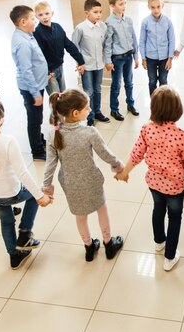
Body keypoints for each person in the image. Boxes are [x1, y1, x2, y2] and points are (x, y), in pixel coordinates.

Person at [115, 86, 184, 272]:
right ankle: (170, 257)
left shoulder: (146, 129)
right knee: (175, 218)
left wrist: (124, 172)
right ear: (177, 110)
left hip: (153, 182)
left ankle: (159, 241)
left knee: (158, 210)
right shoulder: (182, 136)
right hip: (174, 187)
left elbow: (136, 154)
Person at [42, 89, 125, 262]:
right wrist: (118, 166)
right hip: (92, 181)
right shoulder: (89, 132)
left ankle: (88, 247)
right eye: (87, 109)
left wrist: (47, 187)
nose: (89, 111)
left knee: (80, 217)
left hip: (70, 185)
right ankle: (108, 244)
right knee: (102, 210)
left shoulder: (53, 134)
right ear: (76, 113)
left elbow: (50, 165)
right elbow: (105, 154)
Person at [0, 100, 52, 270]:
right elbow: (22, 173)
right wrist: (40, 196)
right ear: (0, 120)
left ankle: (14, 257)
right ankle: (24, 233)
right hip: (9, 192)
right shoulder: (8, 141)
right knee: (32, 196)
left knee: (6, 222)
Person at [10, 5, 49, 161]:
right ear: (23, 22)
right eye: (33, 18)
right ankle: (37, 151)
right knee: (34, 119)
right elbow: (26, 71)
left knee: (37, 116)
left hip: (38, 84)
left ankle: (39, 139)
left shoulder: (27, 35)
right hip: (32, 88)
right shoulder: (23, 43)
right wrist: (35, 93)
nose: (36, 21)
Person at [72, 0, 111, 126]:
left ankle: (98, 111)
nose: (99, 15)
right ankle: (90, 116)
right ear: (86, 13)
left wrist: (106, 60)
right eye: (95, 12)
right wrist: (79, 63)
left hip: (99, 64)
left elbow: (105, 44)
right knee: (89, 91)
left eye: (100, 12)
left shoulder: (103, 27)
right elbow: (74, 46)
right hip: (86, 66)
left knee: (98, 89)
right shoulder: (80, 28)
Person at [34, 1, 86, 95]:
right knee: (56, 97)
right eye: (40, 15)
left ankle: (63, 110)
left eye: (47, 13)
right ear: (36, 16)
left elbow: (69, 45)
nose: (44, 17)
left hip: (59, 66)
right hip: (49, 72)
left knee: (63, 94)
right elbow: (38, 55)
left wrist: (80, 61)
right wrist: (46, 72)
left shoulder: (58, 27)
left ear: (52, 14)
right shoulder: (37, 32)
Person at [105, 0, 140, 121]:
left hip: (128, 57)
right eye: (120, 4)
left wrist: (136, 56)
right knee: (116, 84)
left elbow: (134, 39)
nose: (124, 6)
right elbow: (107, 44)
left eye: (125, 3)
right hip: (117, 59)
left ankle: (130, 104)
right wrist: (108, 61)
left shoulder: (129, 20)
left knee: (129, 83)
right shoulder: (109, 23)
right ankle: (114, 109)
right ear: (112, 6)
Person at [140, 0, 175, 95]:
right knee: (152, 81)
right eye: (153, 7)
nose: (156, 10)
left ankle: (163, 102)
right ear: (148, 7)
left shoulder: (168, 22)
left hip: (164, 58)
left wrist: (170, 58)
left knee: (163, 81)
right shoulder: (145, 22)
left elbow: (172, 40)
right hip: (150, 58)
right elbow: (142, 41)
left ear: (162, 5)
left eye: (158, 7)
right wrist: (143, 58)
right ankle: (154, 102)